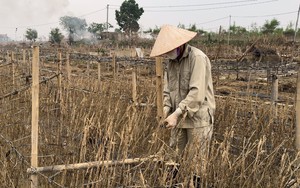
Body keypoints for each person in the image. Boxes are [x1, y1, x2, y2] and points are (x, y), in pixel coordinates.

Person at [150, 25, 216, 183]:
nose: (166, 54)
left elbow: (196, 92)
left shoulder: (197, 58)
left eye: (168, 50)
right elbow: (168, 89)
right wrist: (166, 109)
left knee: (197, 160)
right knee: (173, 155)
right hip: (177, 117)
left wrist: (177, 113)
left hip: (198, 117)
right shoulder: (172, 62)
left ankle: (196, 185)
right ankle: (172, 184)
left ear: (178, 45)